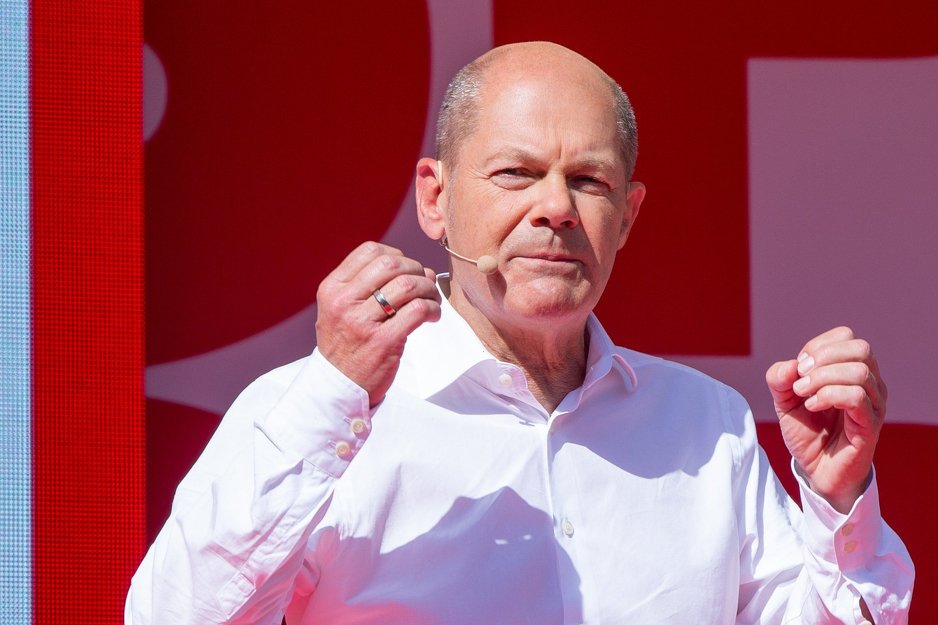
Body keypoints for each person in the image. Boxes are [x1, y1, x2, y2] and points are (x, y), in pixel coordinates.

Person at [126, 42, 913, 624]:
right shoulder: (319, 414)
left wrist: (838, 502)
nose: (556, 208)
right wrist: (332, 394)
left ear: (628, 217)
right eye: (515, 173)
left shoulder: (706, 424)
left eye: (589, 180)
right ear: (434, 200)